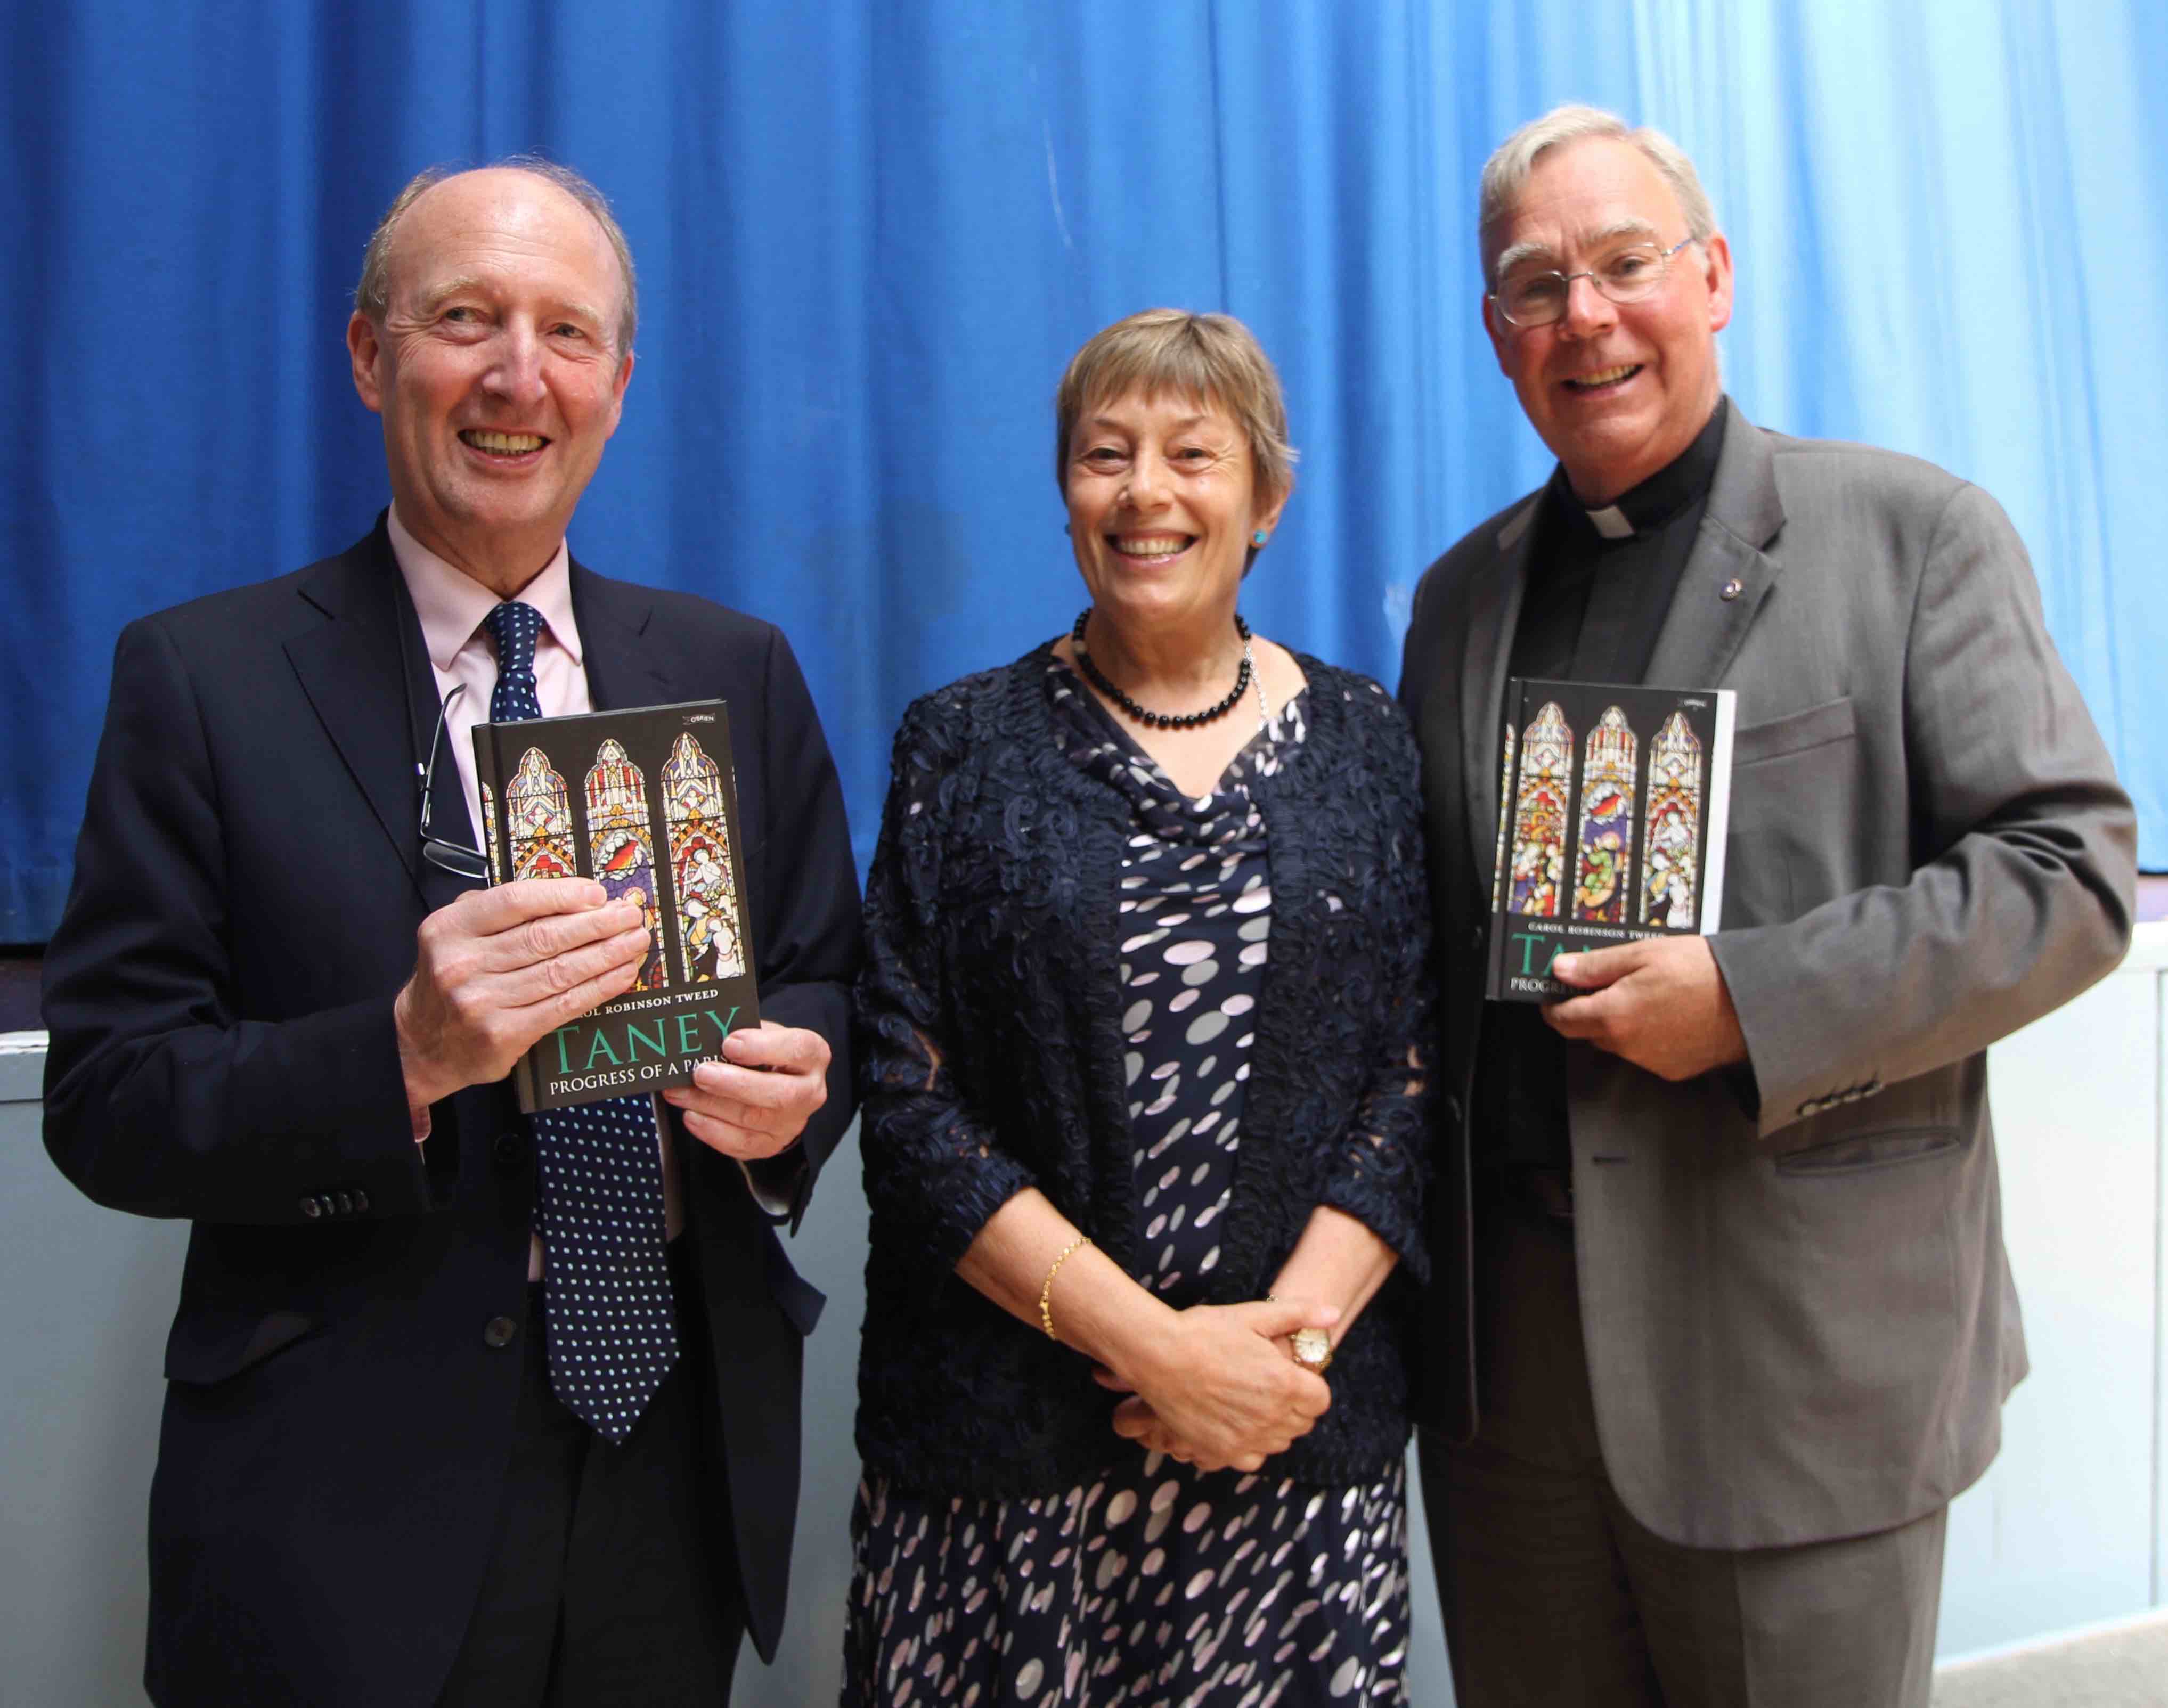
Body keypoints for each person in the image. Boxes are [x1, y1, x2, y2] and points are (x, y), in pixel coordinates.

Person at [41, 160, 859, 1707]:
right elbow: (106, 1102)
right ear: (369, 357)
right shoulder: (203, 682)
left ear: (619, 384)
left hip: (668, 1461)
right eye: (465, 319)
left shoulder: (731, 669)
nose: (516, 376)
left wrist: (788, 1098)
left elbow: (829, 978)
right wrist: (397, 1060)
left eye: (566, 333)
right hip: (341, 1501)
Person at [1398, 105, 2137, 1706]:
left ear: (1714, 276)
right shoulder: (1458, 602)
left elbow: (2068, 873)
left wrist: (1752, 1000)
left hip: (1792, 1370)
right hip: (1507, 1398)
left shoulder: (1908, 534)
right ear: (1496, 333)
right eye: (1537, 286)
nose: (1585, 317)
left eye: (1626, 263)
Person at [848, 308, 1432, 1704]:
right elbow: (902, 1094)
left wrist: (1271, 1364)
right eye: (1105, 455)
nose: (1145, 492)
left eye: (1192, 453)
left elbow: (1416, 1071)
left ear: (1268, 499)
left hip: (1292, 1451)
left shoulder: (1366, 742)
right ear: (1066, 496)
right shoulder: (961, 747)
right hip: (1008, 1472)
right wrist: (1157, 1353)